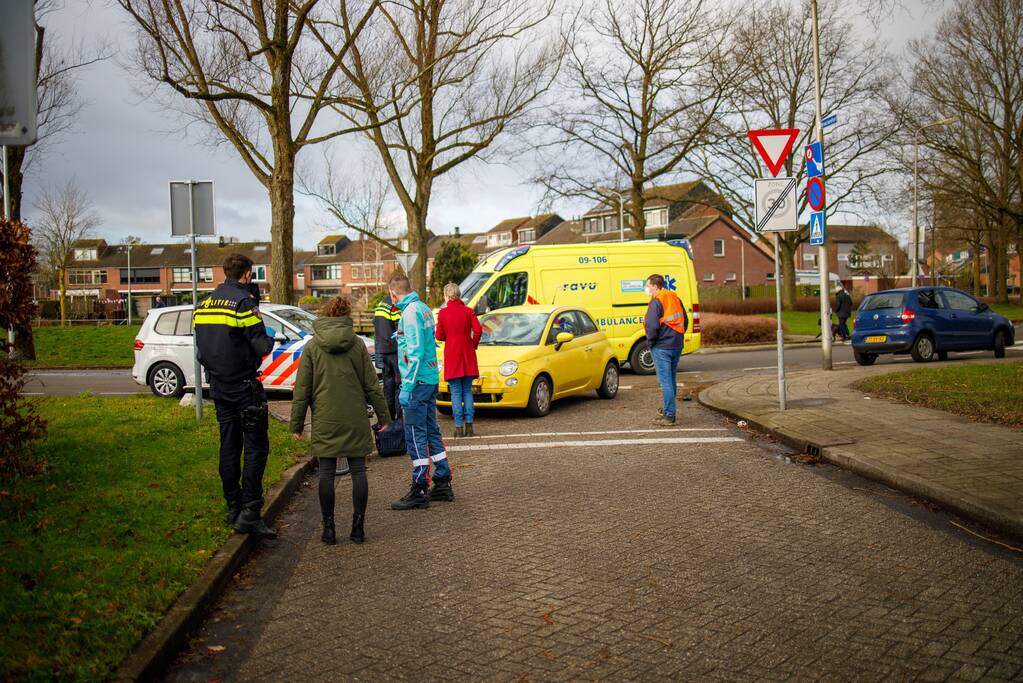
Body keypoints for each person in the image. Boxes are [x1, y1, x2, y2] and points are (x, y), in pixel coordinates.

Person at [290, 296, 390, 545]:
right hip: (354, 416)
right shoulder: (357, 345)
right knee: (358, 471)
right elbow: (371, 385)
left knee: (326, 472)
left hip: (325, 418)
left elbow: (302, 389)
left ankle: (329, 528)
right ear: (346, 316)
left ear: (325, 315)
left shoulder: (312, 347)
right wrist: (384, 416)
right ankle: (358, 528)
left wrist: (297, 424)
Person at [194, 253, 277, 538]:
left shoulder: (203, 305)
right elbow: (261, 345)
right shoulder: (243, 304)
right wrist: (269, 338)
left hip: (218, 387)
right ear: (247, 274)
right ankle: (250, 512)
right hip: (244, 388)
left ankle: (233, 506)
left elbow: (202, 347)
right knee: (256, 448)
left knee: (228, 445)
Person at [387, 272, 454, 510]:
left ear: (393, 293)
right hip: (429, 379)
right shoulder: (423, 308)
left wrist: (406, 386)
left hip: (417, 383)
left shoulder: (410, 313)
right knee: (431, 432)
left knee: (415, 435)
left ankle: (420, 487)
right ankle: (443, 481)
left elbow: (414, 353)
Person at [436, 282, 483, 438]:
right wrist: (473, 344)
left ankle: (458, 427)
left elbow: (439, 336)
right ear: (459, 295)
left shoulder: (443, 313)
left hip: (452, 355)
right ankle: (469, 426)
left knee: (455, 393)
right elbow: (478, 330)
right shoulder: (469, 311)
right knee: (467, 391)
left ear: (447, 296)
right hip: (467, 354)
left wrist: (448, 336)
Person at [644, 274, 687, 427]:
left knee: (665, 381)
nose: (647, 289)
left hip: (661, 346)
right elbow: (685, 320)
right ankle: (668, 408)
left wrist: (651, 342)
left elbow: (652, 326)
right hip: (676, 344)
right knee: (671, 379)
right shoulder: (675, 298)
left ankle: (669, 415)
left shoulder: (657, 301)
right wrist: (678, 336)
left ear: (655, 286)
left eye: (648, 286)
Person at [373, 292, 402, 420]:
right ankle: (399, 420)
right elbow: (400, 329)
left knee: (387, 387)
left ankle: (389, 419)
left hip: (382, 351)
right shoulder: (394, 306)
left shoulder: (380, 305)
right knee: (398, 387)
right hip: (394, 351)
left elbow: (376, 326)